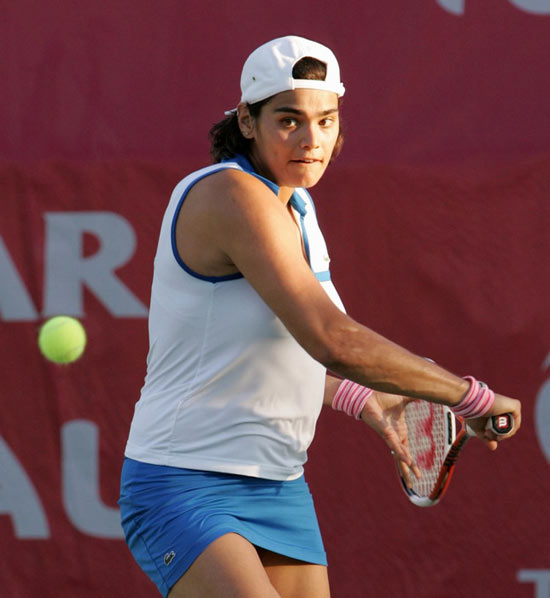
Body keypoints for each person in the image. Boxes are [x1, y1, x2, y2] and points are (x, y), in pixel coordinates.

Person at [119, 35, 521, 598]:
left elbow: (297, 349)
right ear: (247, 121)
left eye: (326, 120)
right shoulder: (231, 195)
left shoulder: (299, 207)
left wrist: (361, 397)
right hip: (184, 481)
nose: (313, 141)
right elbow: (333, 340)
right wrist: (470, 397)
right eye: (289, 121)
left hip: (279, 484)